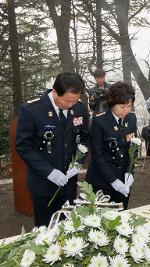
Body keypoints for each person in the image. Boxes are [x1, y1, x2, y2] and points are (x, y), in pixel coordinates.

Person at [16, 72, 89, 226]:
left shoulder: (79, 109)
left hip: (69, 184)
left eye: (75, 101)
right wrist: (49, 172)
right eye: (67, 101)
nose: (71, 106)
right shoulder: (31, 110)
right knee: (45, 231)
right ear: (55, 91)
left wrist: (78, 162)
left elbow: (84, 138)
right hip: (43, 184)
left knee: (68, 228)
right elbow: (24, 147)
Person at [85, 81, 137, 209]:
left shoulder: (131, 119)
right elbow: (97, 156)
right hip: (102, 180)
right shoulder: (99, 121)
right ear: (112, 104)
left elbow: (132, 148)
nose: (126, 110)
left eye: (129, 106)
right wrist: (113, 180)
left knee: (121, 216)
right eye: (122, 107)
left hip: (123, 179)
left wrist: (129, 172)